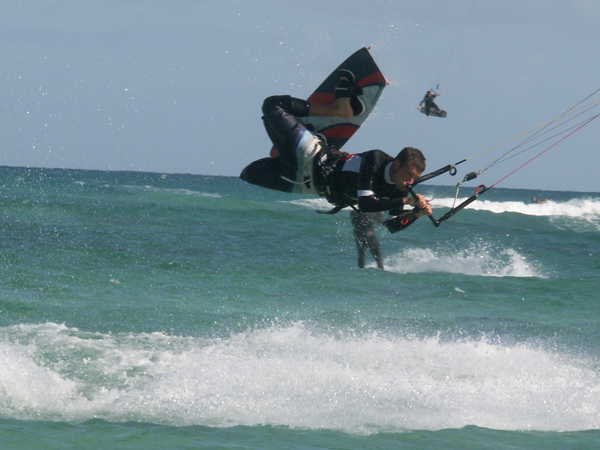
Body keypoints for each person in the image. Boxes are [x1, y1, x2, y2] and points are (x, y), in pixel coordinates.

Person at [240, 70, 432, 233]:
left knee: (248, 173)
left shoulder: (397, 192)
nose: (410, 182)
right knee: (272, 105)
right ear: (396, 164)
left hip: (308, 185)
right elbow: (365, 204)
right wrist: (407, 200)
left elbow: (392, 226)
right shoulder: (377, 159)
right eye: (408, 175)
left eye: (414, 178)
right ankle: (337, 110)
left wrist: (416, 214)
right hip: (312, 157)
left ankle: (289, 143)